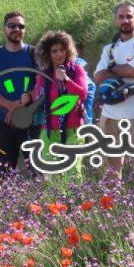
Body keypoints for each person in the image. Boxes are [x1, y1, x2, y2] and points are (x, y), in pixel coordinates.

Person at [93, 0, 134, 190]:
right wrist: (122, 70)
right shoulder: (109, 48)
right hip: (109, 114)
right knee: (110, 165)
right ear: (116, 20)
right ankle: (111, 201)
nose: (125, 20)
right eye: (121, 16)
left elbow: (133, 71)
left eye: (129, 16)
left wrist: (111, 68)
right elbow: (98, 76)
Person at [0, 11, 37, 173]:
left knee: (38, 171)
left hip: (31, 122)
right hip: (3, 122)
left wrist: (20, 107)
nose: (17, 29)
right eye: (12, 25)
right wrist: (10, 106)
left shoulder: (34, 54)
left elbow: (41, 87)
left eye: (21, 26)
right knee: (5, 174)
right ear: (4, 29)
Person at [31, 32, 89, 180]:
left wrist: (65, 80)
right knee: (52, 173)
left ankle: (75, 196)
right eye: (54, 51)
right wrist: (30, 96)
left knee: (73, 172)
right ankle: (57, 197)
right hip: (50, 130)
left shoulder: (77, 70)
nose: (59, 54)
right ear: (48, 54)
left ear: (68, 50)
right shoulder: (43, 75)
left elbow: (82, 94)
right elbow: (38, 100)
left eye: (62, 50)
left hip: (74, 128)